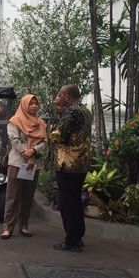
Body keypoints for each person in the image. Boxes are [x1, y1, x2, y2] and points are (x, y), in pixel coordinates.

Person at [50, 84, 92, 252]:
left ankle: (71, 240)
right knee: (75, 201)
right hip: (82, 164)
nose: (58, 98)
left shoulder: (71, 112)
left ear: (67, 96)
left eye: (60, 95)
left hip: (68, 164)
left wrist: (51, 127)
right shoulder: (85, 110)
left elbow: (57, 135)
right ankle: (78, 236)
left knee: (67, 203)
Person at [0, 94, 47, 239]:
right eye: (31, 103)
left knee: (28, 196)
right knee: (12, 196)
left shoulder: (41, 123)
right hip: (17, 162)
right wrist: (24, 151)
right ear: (24, 105)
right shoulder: (15, 120)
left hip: (33, 164)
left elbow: (44, 141)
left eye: (35, 103)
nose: (34, 106)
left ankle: (24, 225)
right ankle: (8, 227)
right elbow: (13, 138)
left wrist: (33, 150)